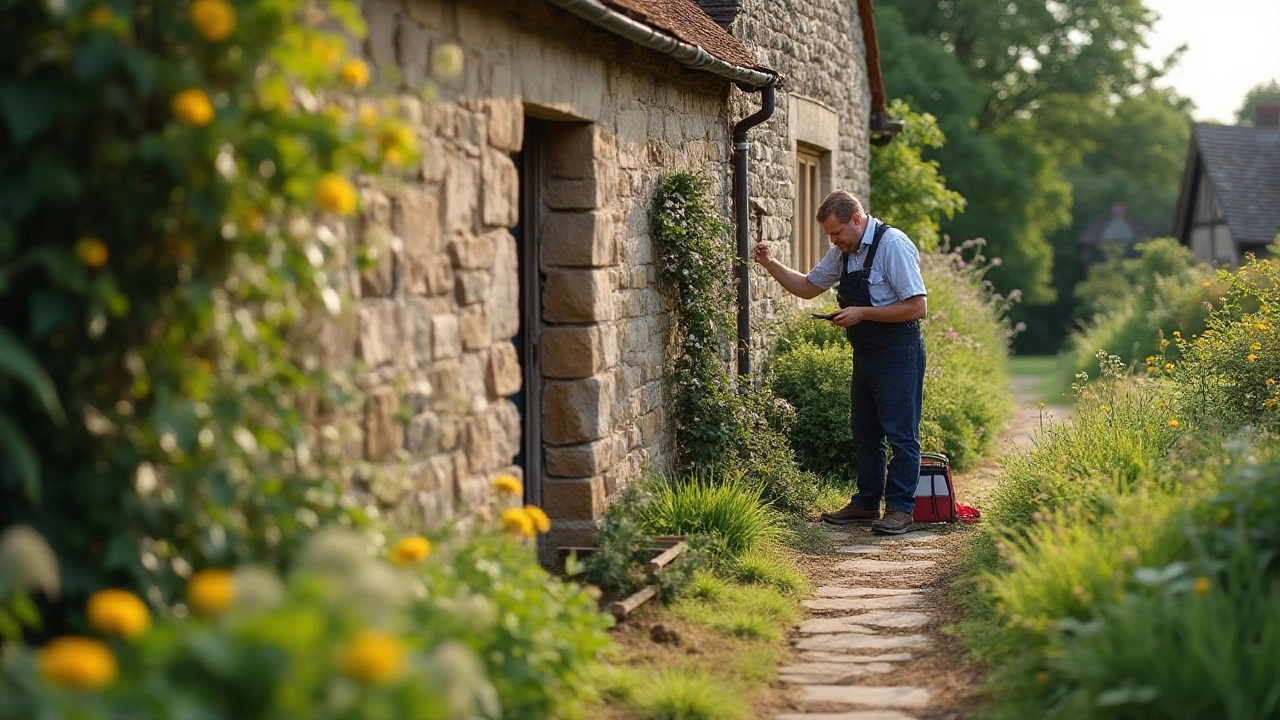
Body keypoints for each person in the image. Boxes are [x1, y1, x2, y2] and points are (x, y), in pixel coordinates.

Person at [754, 190, 927, 535]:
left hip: (898, 350)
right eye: (830, 236)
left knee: (900, 433)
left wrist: (861, 312)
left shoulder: (892, 245)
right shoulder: (844, 252)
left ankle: (900, 510)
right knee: (865, 431)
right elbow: (806, 287)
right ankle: (865, 504)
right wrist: (769, 263)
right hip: (865, 351)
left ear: (857, 220)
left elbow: (917, 306)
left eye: (838, 233)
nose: (834, 241)